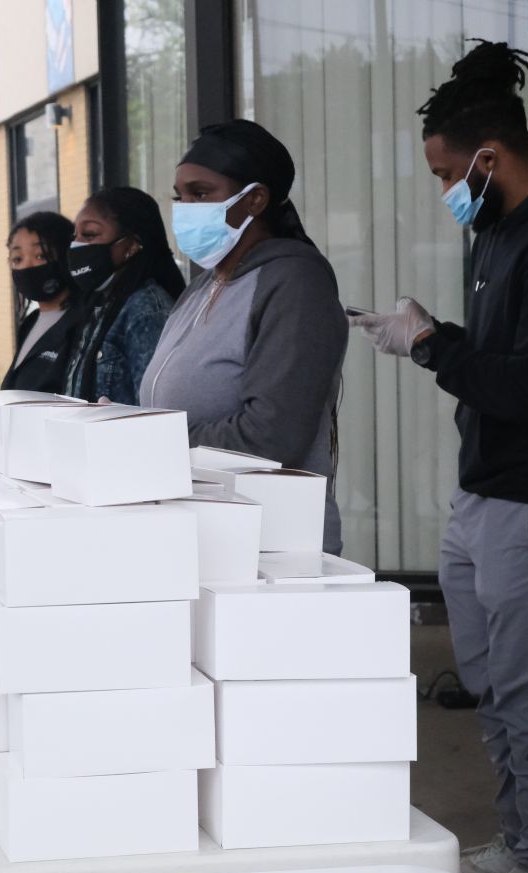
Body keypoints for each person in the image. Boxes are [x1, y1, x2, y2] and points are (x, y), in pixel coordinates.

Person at [351, 41, 528, 873]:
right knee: (494, 690)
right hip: (482, 494)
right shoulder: (496, 233)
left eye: (446, 173)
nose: (445, 193)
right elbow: (499, 357)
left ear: (488, 157)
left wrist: (433, 345)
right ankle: (519, 842)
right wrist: (435, 333)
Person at [139, 119, 348, 553]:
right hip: (201, 536)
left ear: (255, 198)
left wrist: (151, 439)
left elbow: (272, 437)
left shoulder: (294, 282)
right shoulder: (204, 285)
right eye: (180, 197)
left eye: (201, 194)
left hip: (270, 546)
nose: (185, 208)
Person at [60, 186, 186, 404]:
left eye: (89, 235)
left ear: (131, 246)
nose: (76, 244)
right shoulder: (100, 302)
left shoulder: (146, 310)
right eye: (75, 236)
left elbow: (155, 410)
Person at [1, 209, 85, 393]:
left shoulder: (85, 322)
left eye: (40, 256)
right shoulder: (30, 322)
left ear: (65, 256)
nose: (26, 267)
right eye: (17, 259)